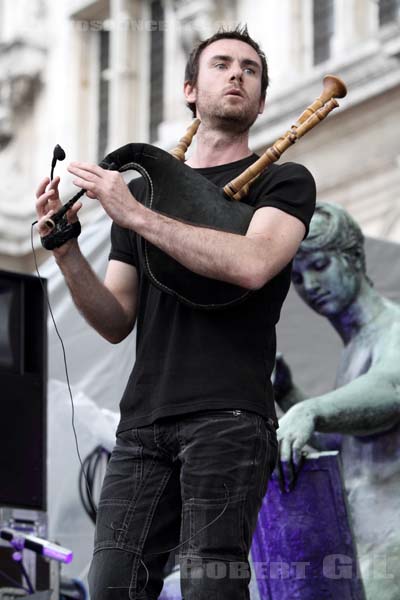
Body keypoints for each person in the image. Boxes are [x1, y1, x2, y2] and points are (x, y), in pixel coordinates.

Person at [35, 26, 315, 600]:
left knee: (211, 586)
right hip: (141, 427)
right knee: (112, 586)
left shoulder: (285, 182)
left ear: (260, 101)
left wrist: (133, 214)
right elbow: (115, 318)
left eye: (250, 69)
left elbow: (253, 263)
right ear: (190, 89)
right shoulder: (141, 198)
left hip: (231, 419)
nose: (236, 74)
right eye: (220, 65)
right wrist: (65, 252)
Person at [274, 203, 400, 599]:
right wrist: (288, 396)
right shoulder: (354, 350)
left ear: (355, 259)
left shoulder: (393, 329)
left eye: (320, 265)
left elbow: (391, 390)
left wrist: (310, 410)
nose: (310, 285)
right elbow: (352, 446)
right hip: (360, 535)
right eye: (297, 277)